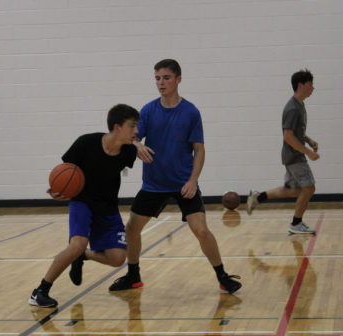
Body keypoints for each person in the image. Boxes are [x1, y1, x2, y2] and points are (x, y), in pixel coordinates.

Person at [108, 59, 242, 294]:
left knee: (201, 230)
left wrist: (192, 180)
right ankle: (133, 275)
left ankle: (222, 276)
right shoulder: (148, 110)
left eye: (166, 78)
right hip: (154, 184)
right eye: (157, 78)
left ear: (178, 80)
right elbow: (131, 136)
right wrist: (137, 144)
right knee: (131, 228)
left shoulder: (191, 112)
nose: (161, 83)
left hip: (183, 184)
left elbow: (199, 149)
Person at [28, 104, 139, 308]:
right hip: (82, 201)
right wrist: (58, 191)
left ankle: (83, 257)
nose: (136, 131)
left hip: (108, 206)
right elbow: (65, 172)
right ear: (117, 128)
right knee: (76, 244)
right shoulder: (86, 143)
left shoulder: (129, 152)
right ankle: (40, 291)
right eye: (132, 126)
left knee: (117, 259)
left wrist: (137, 145)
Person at [246, 69, 319, 234]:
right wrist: (308, 152)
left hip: (292, 155)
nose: (313, 88)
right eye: (310, 85)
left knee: (294, 190)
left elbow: (295, 131)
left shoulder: (299, 105)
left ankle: (258, 197)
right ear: (300, 86)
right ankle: (296, 224)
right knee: (309, 189)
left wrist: (308, 140)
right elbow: (287, 136)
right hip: (295, 156)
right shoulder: (292, 108)